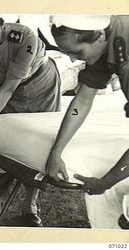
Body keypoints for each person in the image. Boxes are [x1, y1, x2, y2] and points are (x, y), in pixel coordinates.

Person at [0, 14, 61, 227]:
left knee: (37, 142)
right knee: (0, 142)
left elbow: (9, 86)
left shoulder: (25, 36)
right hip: (6, 90)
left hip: (41, 86)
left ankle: (30, 205)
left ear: (3, 26)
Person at [46, 15, 129, 228]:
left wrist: (106, 182)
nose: (74, 60)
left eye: (77, 53)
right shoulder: (103, 42)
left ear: (100, 36)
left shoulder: (124, 51)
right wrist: (56, 151)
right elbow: (81, 101)